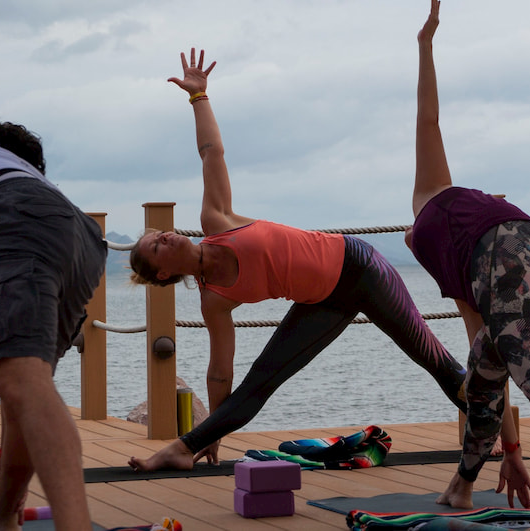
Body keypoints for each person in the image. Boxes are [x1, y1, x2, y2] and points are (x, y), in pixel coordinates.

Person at [127, 49, 471, 472]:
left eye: (158, 234)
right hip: (322, 302)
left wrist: (199, 98)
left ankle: (489, 432)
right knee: (260, 380)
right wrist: (213, 432)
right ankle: (183, 448)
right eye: (156, 245)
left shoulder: (217, 220)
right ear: (164, 271)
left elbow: (211, 153)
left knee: (431, 358)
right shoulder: (214, 299)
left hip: (360, 267)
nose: (163, 235)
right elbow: (220, 372)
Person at [408, 2, 530, 530]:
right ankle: (461, 484)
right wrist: (510, 452)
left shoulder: (430, 198)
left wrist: (425, 47)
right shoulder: (459, 267)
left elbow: (428, 118)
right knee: (484, 379)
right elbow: (488, 368)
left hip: (514, 255)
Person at [0, 122, 108, 530]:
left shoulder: (5, 178)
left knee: (21, 381)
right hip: (82, 239)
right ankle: (3, 512)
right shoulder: (28, 174)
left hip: (17, 211)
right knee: (24, 389)